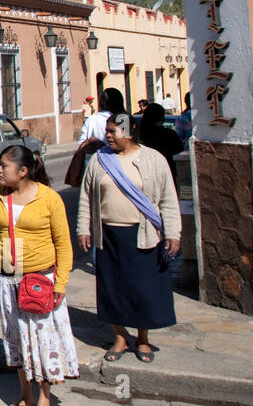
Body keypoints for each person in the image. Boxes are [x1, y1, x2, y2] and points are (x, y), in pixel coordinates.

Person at [0, 145, 78, 406]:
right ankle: (25, 394)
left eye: (4, 166)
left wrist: (61, 282)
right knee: (16, 340)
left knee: (42, 342)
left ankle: (44, 399)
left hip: (39, 281)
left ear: (22, 171)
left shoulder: (49, 199)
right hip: (7, 279)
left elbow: (63, 244)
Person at [77, 114, 181, 364]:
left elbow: (168, 200)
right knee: (113, 289)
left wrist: (173, 234)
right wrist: (84, 229)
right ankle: (120, 336)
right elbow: (85, 197)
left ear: (130, 132)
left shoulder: (153, 159)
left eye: (114, 131)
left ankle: (142, 338)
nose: (109, 136)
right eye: (107, 131)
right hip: (109, 235)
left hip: (142, 235)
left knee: (143, 289)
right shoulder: (99, 160)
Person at [139, 102, 184, 185]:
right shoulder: (170, 135)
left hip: (145, 175)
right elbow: (179, 154)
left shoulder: (139, 135)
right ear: (162, 117)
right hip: (167, 174)